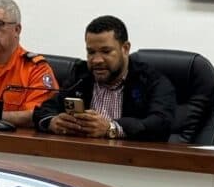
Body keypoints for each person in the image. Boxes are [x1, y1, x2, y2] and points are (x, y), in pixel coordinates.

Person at [34, 15, 176, 141]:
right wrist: (52, 122)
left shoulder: (152, 80)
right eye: (91, 52)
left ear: (125, 48)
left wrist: (111, 128)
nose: (96, 60)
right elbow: (44, 110)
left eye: (106, 51)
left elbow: (161, 124)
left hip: (131, 162)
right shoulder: (80, 75)